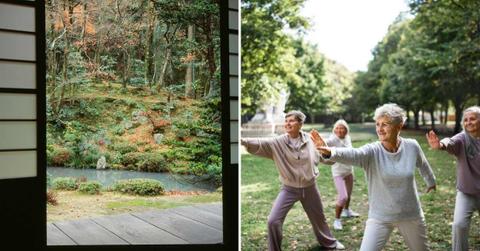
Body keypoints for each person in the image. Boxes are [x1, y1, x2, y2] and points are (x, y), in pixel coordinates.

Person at [311, 103, 436, 251]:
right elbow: (353, 154)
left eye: (385, 124)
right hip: (380, 216)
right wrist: (330, 152)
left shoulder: (412, 146)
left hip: (411, 214)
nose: (380, 129)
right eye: (377, 124)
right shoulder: (372, 151)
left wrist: (431, 181)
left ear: (399, 125)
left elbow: (423, 164)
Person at [241, 110, 345, 251]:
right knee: (273, 221)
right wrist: (242, 140)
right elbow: (260, 142)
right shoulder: (278, 142)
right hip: (289, 189)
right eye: (286, 120)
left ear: (300, 123)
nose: (287, 123)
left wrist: (325, 152)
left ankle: (329, 243)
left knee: (319, 219)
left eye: (291, 120)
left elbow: (328, 161)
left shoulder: (310, 140)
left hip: (310, 187)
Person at [426, 106, 480, 251]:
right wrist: (440, 145)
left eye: (473, 119)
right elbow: (450, 141)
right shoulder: (462, 138)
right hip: (466, 192)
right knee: (459, 225)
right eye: (466, 120)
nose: (468, 122)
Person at [324, 119, 360, 230]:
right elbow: (324, 143)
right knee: (343, 197)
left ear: (346, 130)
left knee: (348, 195)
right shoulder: (332, 139)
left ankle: (347, 211)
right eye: (338, 128)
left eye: (343, 128)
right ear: (334, 130)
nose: (340, 130)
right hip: (338, 173)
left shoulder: (348, 138)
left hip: (349, 171)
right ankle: (337, 220)